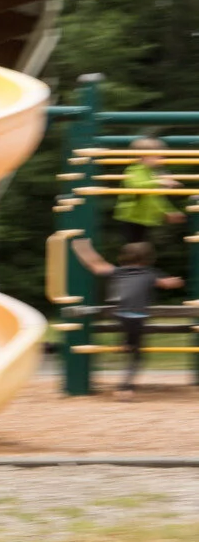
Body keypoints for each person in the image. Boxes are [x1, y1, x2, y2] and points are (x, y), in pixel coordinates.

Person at [71, 236, 183, 400]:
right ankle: (125, 388)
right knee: (137, 355)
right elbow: (167, 284)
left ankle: (125, 343)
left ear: (124, 257)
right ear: (148, 259)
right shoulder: (149, 273)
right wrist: (176, 281)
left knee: (126, 326)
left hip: (119, 314)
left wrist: (81, 247)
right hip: (137, 316)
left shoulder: (118, 271)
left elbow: (95, 265)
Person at [113, 137, 186, 244]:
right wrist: (158, 181)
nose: (161, 158)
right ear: (143, 156)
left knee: (142, 249)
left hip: (144, 217)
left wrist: (168, 211)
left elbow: (155, 197)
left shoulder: (153, 172)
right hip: (131, 217)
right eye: (157, 155)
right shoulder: (134, 169)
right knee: (134, 249)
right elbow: (136, 186)